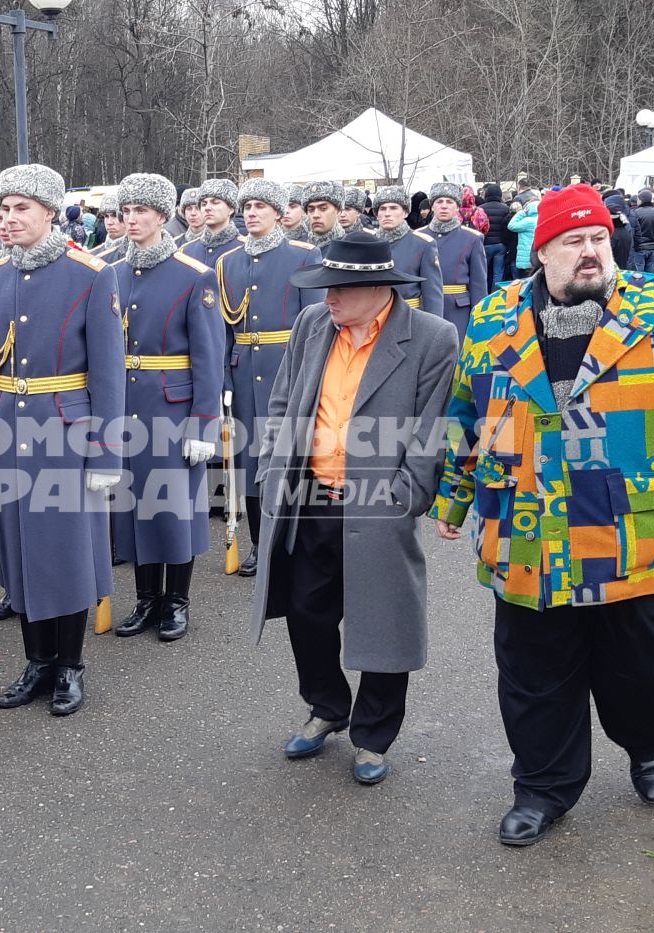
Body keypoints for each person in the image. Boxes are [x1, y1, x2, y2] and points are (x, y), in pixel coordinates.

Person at [432, 184, 654, 847]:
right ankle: (543, 786)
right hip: (525, 530)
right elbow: (465, 413)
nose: (589, 253)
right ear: (540, 252)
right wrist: (453, 495)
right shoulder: (494, 319)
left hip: (631, 531)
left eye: (597, 240)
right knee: (532, 674)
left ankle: (646, 742)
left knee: (646, 669)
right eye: (572, 242)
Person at [249, 231, 460, 786]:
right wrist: (273, 465)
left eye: (337, 288)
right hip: (310, 495)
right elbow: (283, 398)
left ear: (377, 288)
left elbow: (433, 430)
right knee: (306, 611)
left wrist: (405, 496)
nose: (327, 298)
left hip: (378, 503)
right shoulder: (313, 325)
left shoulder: (432, 338)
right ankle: (326, 706)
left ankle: (374, 734)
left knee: (383, 618)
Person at [0, 163, 124, 716]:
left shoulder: (89, 273)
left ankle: (69, 666)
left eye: (21, 209)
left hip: (66, 431)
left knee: (66, 552)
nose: (7, 220)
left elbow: (107, 369)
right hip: (6, 426)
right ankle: (36, 662)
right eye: (1, 211)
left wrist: (106, 451)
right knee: (19, 550)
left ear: (51, 213)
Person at [106, 173, 222, 642]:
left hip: (172, 406)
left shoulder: (194, 275)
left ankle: (177, 601)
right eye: (125, 211)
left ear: (162, 216)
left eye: (141, 212)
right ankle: (146, 598)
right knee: (133, 507)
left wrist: (203, 424)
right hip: (127, 402)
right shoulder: (112, 273)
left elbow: (209, 357)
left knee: (172, 508)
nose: (131, 220)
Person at [218, 178, 324, 576]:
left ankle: (294, 543)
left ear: (279, 213)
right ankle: (261, 545)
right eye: (246, 207)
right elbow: (222, 328)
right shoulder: (227, 262)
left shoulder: (303, 255)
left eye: (260, 206)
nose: (251, 213)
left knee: (293, 458)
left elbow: (316, 323)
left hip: (287, 366)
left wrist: (309, 374)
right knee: (249, 464)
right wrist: (224, 379)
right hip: (243, 370)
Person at [425, 181, 488, 337]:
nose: (444, 206)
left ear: (457, 206)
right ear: (432, 206)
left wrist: (479, 320)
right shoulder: (419, 237)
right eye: (439, 201)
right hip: (424, 309)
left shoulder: (472, 239)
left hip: (458, 311)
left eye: (449, 202)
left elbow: (478, 284)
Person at [370, 186, 444, 317]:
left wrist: (434, 330)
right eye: (382, 208)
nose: (387, 213)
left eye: (393, 208)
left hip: (410, 317)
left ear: (405, 213)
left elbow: (432, 295)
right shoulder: (367, 244)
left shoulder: (423, 244)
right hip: (373, 318)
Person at [183, 179, 242, 268]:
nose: (207, 208)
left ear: (231, 209)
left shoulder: (244, 249)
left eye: (215, 203)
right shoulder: (186, 251)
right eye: (203, 204)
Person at [479, 183, 513, 288]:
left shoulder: (480, 209)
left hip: (485, 244)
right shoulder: (506, 209)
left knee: (483, 272)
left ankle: (483, 293)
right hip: (500, 245)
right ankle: (495, 295)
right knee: (498, 273)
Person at [506, 190, 540, 280]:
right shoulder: (542, 220)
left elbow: (511, 225)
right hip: (537, 257)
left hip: (525, 259)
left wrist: (522, 212)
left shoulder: (527, 221)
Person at [304, 181, 348, 248]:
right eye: (311, 210)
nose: (315, 215)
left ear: (338, 211)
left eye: (323, 208)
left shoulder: (348, 247)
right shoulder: (299, 246)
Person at [629, 189, 654, 274]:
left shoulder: (635, 213)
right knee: (650, 274)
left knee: (638, 275)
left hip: (639, 248)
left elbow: (634, 232)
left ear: (641, 200)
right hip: (653, 247)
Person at [92, 194, 127, 262]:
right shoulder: (94, 254)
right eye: (106, 216)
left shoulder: (137, 254)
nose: (109, 222)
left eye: (115, 215)